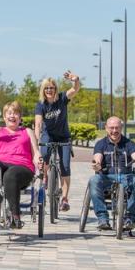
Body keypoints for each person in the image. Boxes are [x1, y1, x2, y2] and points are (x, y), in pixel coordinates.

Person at [0, 94, 41, 229]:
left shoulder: (27, 131)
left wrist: (39, 160)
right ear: (4, 117)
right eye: (9, 113)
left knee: (11, 174)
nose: (12, 115)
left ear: (20, 117)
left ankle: (15, 216)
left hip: (22, 167)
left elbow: (35, 151)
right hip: (2, 165)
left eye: (15, 113)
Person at [89, 116, 135, 231]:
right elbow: (97, 157)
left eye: (117, 128)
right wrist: (97, 163)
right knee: (93, 180)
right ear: (106, 128)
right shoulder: (101, 144)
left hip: (126, 177)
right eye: (111, 128)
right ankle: (102, 218)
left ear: (121, 128)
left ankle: (129, 218)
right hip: (106, 177)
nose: (114, 131)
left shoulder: (129, 143)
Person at [34, 70, 81, 212]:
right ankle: (46, 179)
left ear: (55, 89)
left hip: (63, 137)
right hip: (48, 135)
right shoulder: (41, 105)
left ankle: (65, 199)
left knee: (65, 166)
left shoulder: (62, 98)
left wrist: (76, 80)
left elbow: (75, 89)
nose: (49, 90)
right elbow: (38, 124)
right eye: (47, 88)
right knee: (44, 159)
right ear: (43, 90)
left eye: (52, 87)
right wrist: (36, 142)